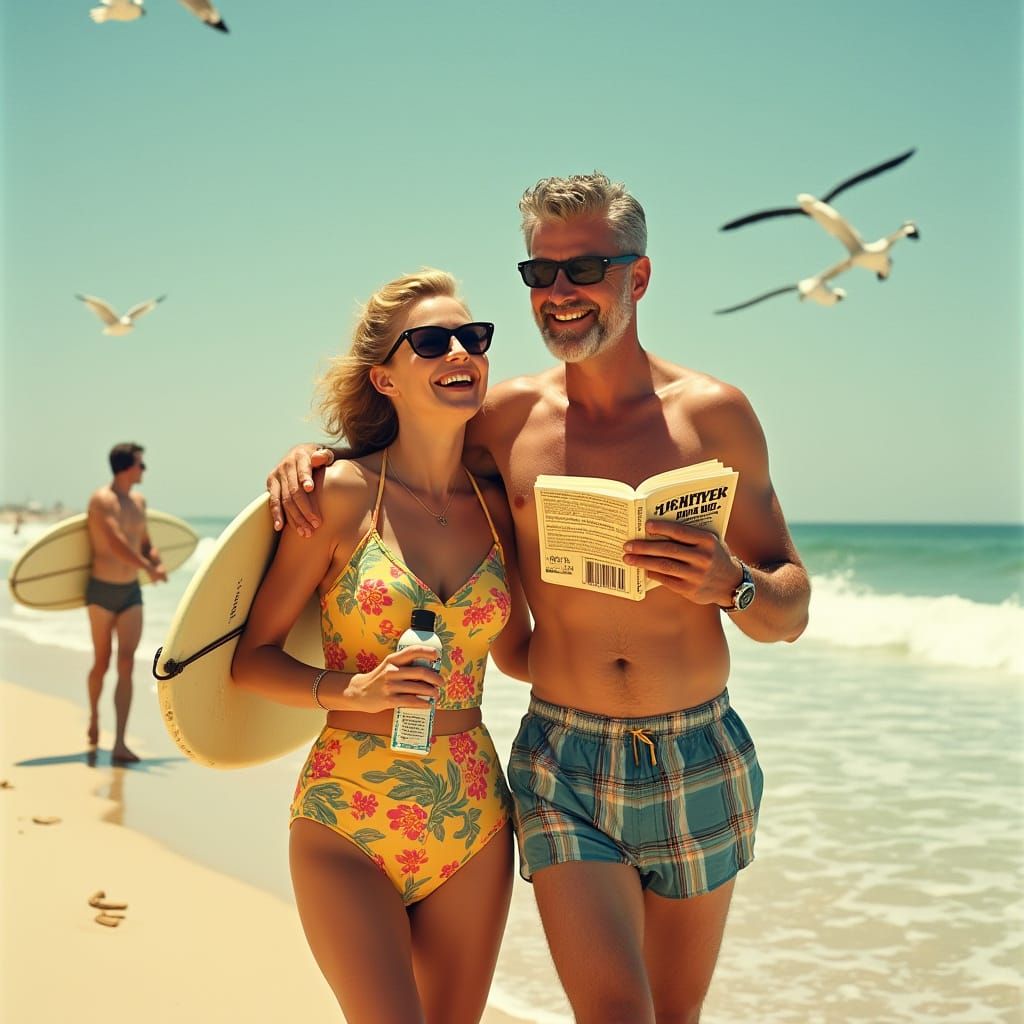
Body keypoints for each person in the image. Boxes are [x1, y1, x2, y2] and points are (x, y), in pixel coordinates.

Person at [267, 174, 811, 1024]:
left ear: (638, 277)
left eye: (584, 269)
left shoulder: (713, 415)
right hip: (563, 757)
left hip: (700, 747)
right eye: (540, 275)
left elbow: (790, 606)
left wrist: (730, 584)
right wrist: (310, 454)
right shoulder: (506, 417)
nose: (559, 294)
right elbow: (403, 457)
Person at [231, 269, 532, 1024]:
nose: (459, 350)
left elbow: (522, 654)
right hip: (347, 817)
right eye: (431, 341)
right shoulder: (337, 495)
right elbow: (251, 658)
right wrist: (351, 692)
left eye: (474, 336)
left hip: (474, 819)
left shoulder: (500, 507)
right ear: (385, 378)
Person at [85, 442, 166, 763]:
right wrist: (148, 568)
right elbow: (115, 543)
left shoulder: (138, 501)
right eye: (141, 465)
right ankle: (93, 717)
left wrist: (155, 561)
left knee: (127, 664)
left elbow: (144, 543)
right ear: (126, 467)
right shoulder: (101, 500)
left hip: (130, 592)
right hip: (101, 592)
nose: (144, 470)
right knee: (102, 662)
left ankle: (119, 741)